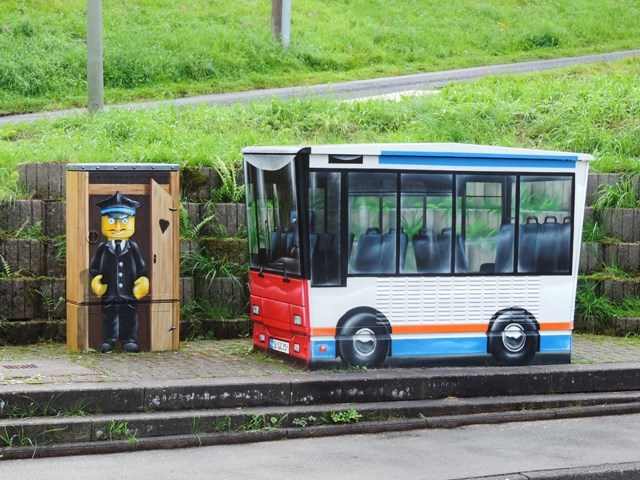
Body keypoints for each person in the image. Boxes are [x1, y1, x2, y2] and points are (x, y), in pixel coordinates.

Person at [89, 191, 149, 353]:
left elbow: (142, 268)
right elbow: (94, 268)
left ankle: (129, 339)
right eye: (110, 221)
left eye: (123, 221)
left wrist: (143, 280)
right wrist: (96, 280)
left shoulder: (133, 247)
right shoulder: (102, 248)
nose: (117, 227)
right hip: (109, 293)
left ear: (132, 221)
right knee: (109, 317)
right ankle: (109, 340)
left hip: (128, 293)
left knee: (129, 317)